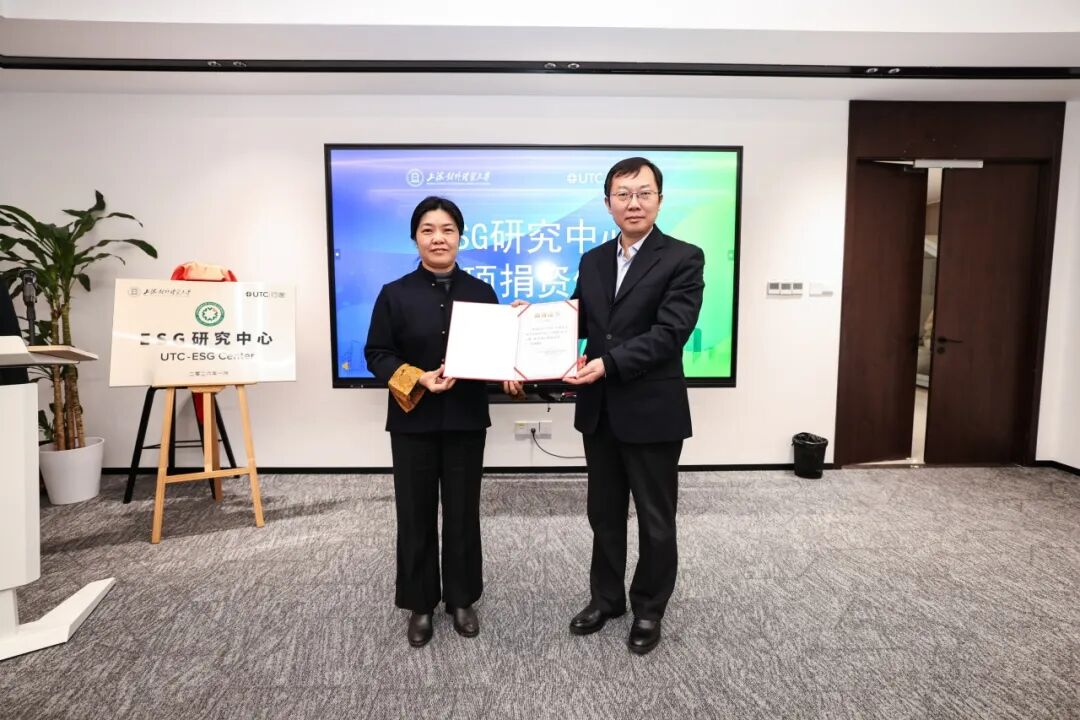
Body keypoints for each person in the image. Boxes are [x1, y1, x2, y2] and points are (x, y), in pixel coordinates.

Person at [564, 157, 705, 655]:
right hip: (600, 411)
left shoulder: (683, 258)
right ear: (608, 203)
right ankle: (606, 599)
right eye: (623, 194)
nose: (634, 203)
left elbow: (670, 333)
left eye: (644, 193)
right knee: (603, 514)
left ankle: (648, 608)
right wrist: (532, 322)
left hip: (652, 410)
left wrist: (608, 363)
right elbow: (581, 320)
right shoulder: (593, 260)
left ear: (660, 200)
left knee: (654, 518)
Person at [365, 196, 520, 647]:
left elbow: (496, 355)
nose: (438, 238)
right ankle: (420, 603)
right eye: (428, 230)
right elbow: (377, 353)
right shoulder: (394, 293)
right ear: (415, 237)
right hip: (411, 420)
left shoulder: (482, 293)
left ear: (460, 237)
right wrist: (418, 377)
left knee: (463, 512)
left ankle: (462, 598)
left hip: (466, 419)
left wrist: (513, 368)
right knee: (414, 514)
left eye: (448, 229)